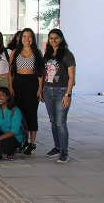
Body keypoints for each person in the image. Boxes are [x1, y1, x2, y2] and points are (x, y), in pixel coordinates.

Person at [8, 28, 44, 156]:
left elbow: (41, 72)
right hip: (18, 83)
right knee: (19, 114)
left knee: (31, 114)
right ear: (21, 38)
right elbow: (11, 72)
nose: (27, 39)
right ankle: (22, 141)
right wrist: (11, 87)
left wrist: (40, 88)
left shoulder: (37, 52)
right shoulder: (15, 52)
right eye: (24, 36)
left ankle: (32, 143)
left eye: (29, 37)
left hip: (32, 84)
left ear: (33, 39)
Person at [42, 29, 76, 163]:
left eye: (56, 38)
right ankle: (57, 147)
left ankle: (64, 151)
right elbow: (44, 73)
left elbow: (72, 76)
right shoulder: (48, 54)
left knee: (61, 122)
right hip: (48, 90)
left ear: (61, 39)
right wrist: (42, 90)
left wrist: (68, 94)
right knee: (53, 121)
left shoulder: (67, 54)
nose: (53, 40)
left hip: (61, 91)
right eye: (51, 38)